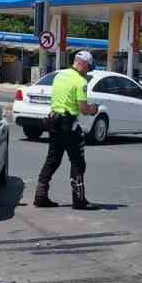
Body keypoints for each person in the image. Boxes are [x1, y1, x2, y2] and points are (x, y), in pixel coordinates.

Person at [34, 50, 100, 211]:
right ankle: (79, 200)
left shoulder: (60, 76)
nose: (88, 71)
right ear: (83, 64)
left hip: (54, 122)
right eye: (88, 67)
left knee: (52, 160)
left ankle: (40, 196)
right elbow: (83, 109)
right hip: (69, 125)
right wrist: (94, 109)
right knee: (78, 161)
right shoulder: (80, 82)